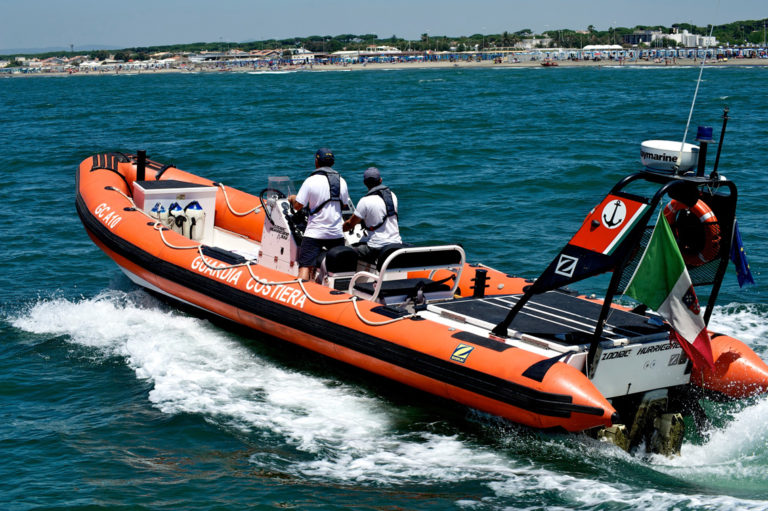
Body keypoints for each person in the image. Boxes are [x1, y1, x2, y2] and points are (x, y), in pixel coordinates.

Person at [289, 148, 350, 281]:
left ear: (317, 161)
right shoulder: (342, 181)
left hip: (315, 233)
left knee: (305, 266)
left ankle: (302, 288)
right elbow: (344, 205)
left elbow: (298, 206)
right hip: (336, 234)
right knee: (337, 269)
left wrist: (292, 199)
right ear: (332, 163)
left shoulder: (311, 181)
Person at [343, 166, 402, 263]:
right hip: (396, 243)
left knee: (344, 252)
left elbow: (350, 224)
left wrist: (337, 229)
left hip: (375, 248)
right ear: (380, 180)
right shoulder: (392, 196)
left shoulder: (365, 201)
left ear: (365, 183)